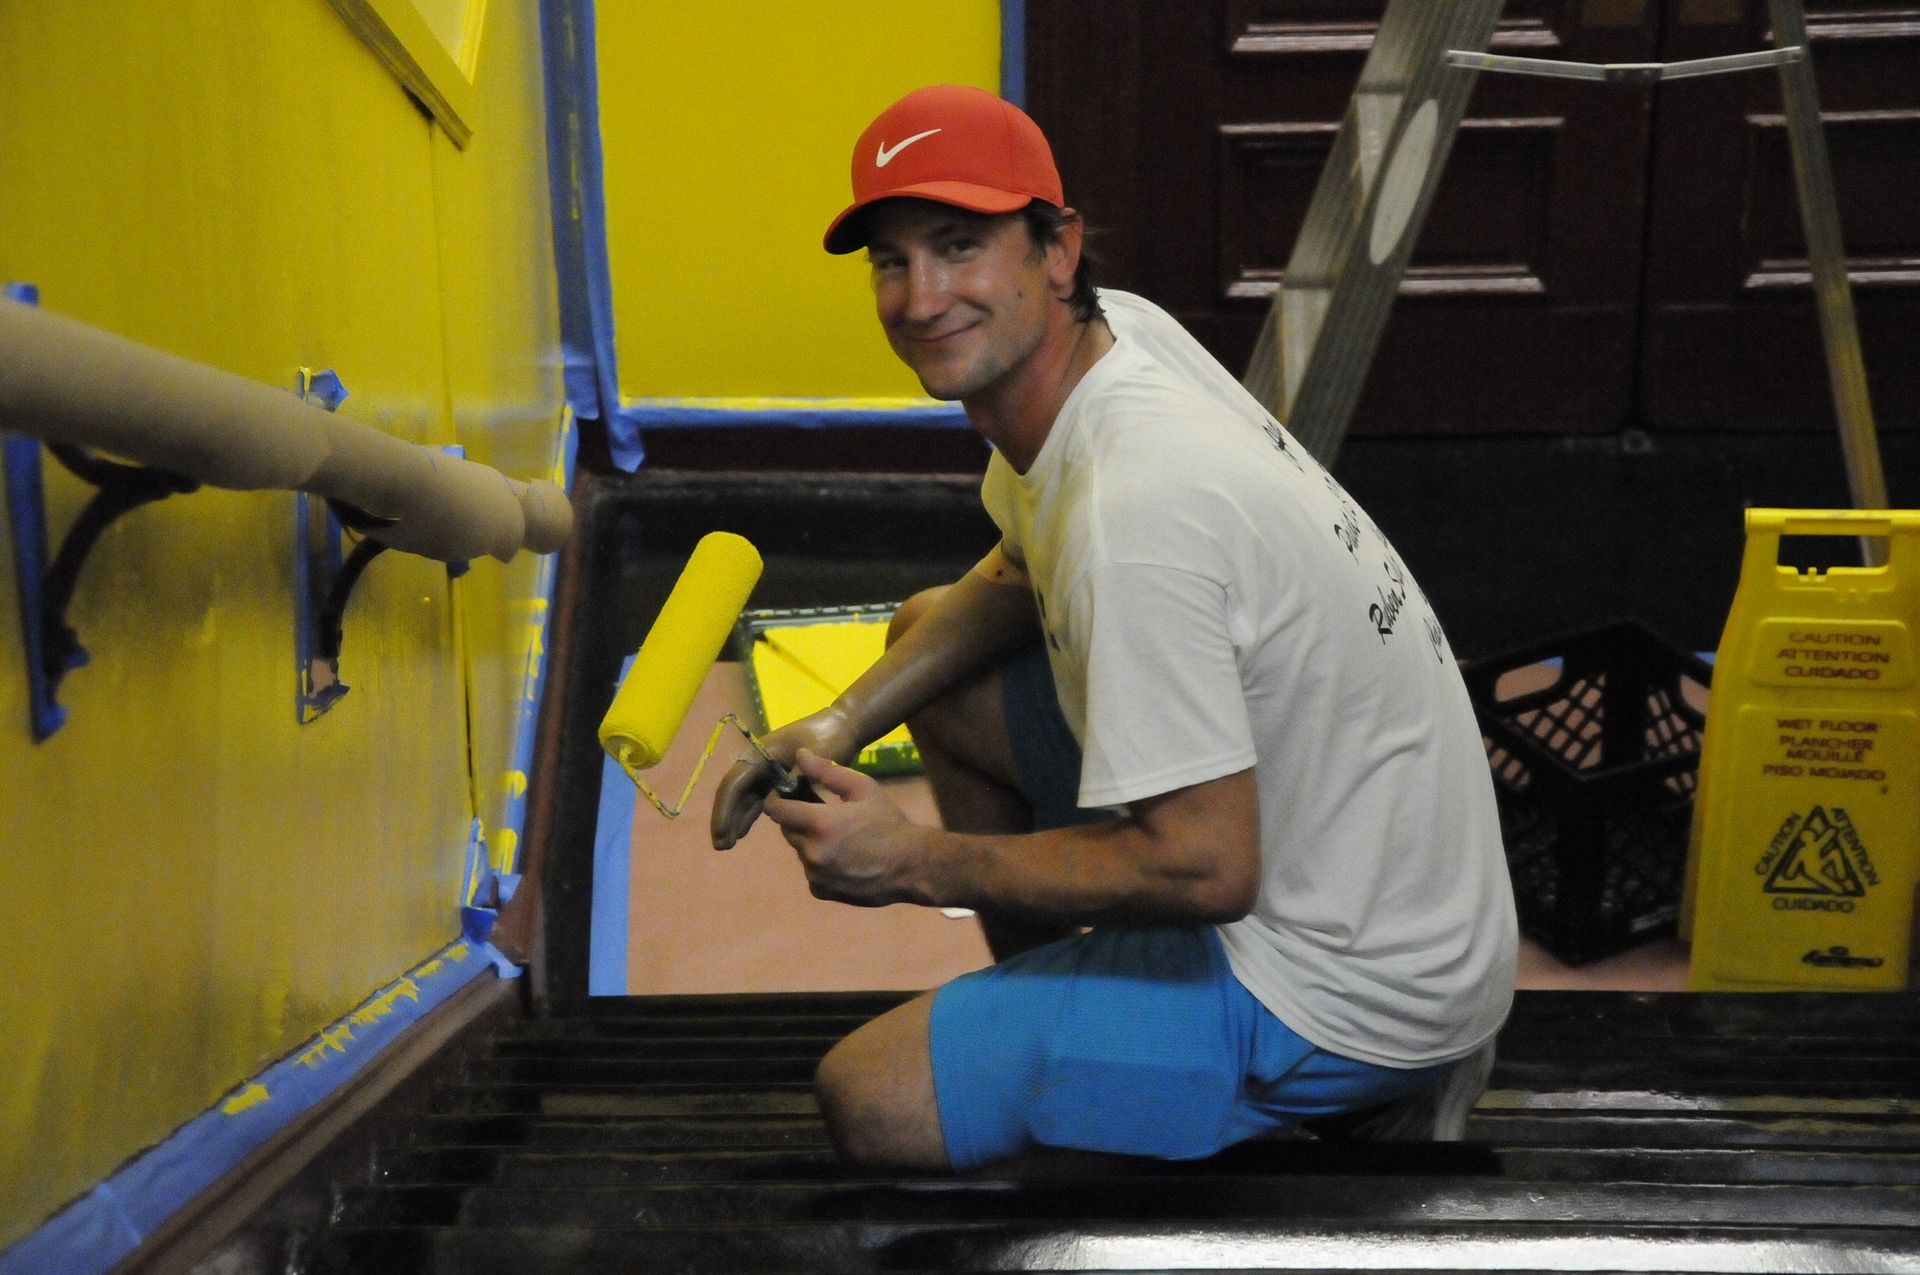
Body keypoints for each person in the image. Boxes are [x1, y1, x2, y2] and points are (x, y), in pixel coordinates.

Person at [710, 84, 1517, 1173]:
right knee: (923, 638)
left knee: (873, 1100)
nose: (920, 295)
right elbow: (1018, 560)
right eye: (891, 261)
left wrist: (921, 862)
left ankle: (1283, 1091)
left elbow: (1205, 871)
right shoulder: (1116, 335)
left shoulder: (1137, 512)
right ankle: (1095, 1012)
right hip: (1371, 864)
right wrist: (843, 717)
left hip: (1348, 984)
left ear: (1056, 247)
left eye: (958, 246)